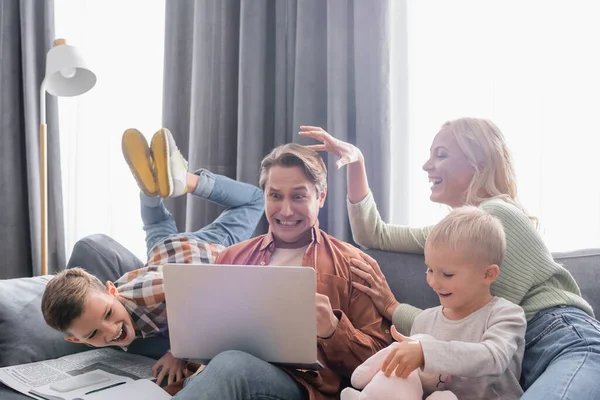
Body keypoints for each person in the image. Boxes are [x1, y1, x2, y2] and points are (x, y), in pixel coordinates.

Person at [299, 119, 600, 399]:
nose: (426, 165)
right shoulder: (454, 238)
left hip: (561, 337)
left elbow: (467, 326)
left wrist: (392, 307)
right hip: (518, 361)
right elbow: (373, 234)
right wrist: (357, 162)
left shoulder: (497, 215)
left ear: (478, 164)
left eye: (440, 155)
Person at [41, 128, 264, 386]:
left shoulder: (151, 295)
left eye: (108, 314)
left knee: (256, 201)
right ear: (76, 340)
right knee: (156, 224)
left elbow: (210, 296)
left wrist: (180, 351)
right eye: (93, 333)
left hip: (200, 254)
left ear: (113, 291)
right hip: (161, 252)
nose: (112, 330)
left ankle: (185, 179)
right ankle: (149, 192)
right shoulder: (101, 312)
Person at [173, 143, 392, 400]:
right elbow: (205, 344)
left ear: (320, 197)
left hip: (301, 388)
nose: (285, 211)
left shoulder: (353, 265)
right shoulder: (231, 257)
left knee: (232, 366)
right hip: (228, 378)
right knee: (226, 366)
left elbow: (380, 363)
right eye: (275, 196)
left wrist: (334, 330)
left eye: (298, 196)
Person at [341, 206, 526, 400]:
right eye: (430, 270)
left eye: (447, 274)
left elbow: (493, 358)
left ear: (488, 274)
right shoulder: (424, 321)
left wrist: (425, 353)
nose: (433, 282)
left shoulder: (507, 315)